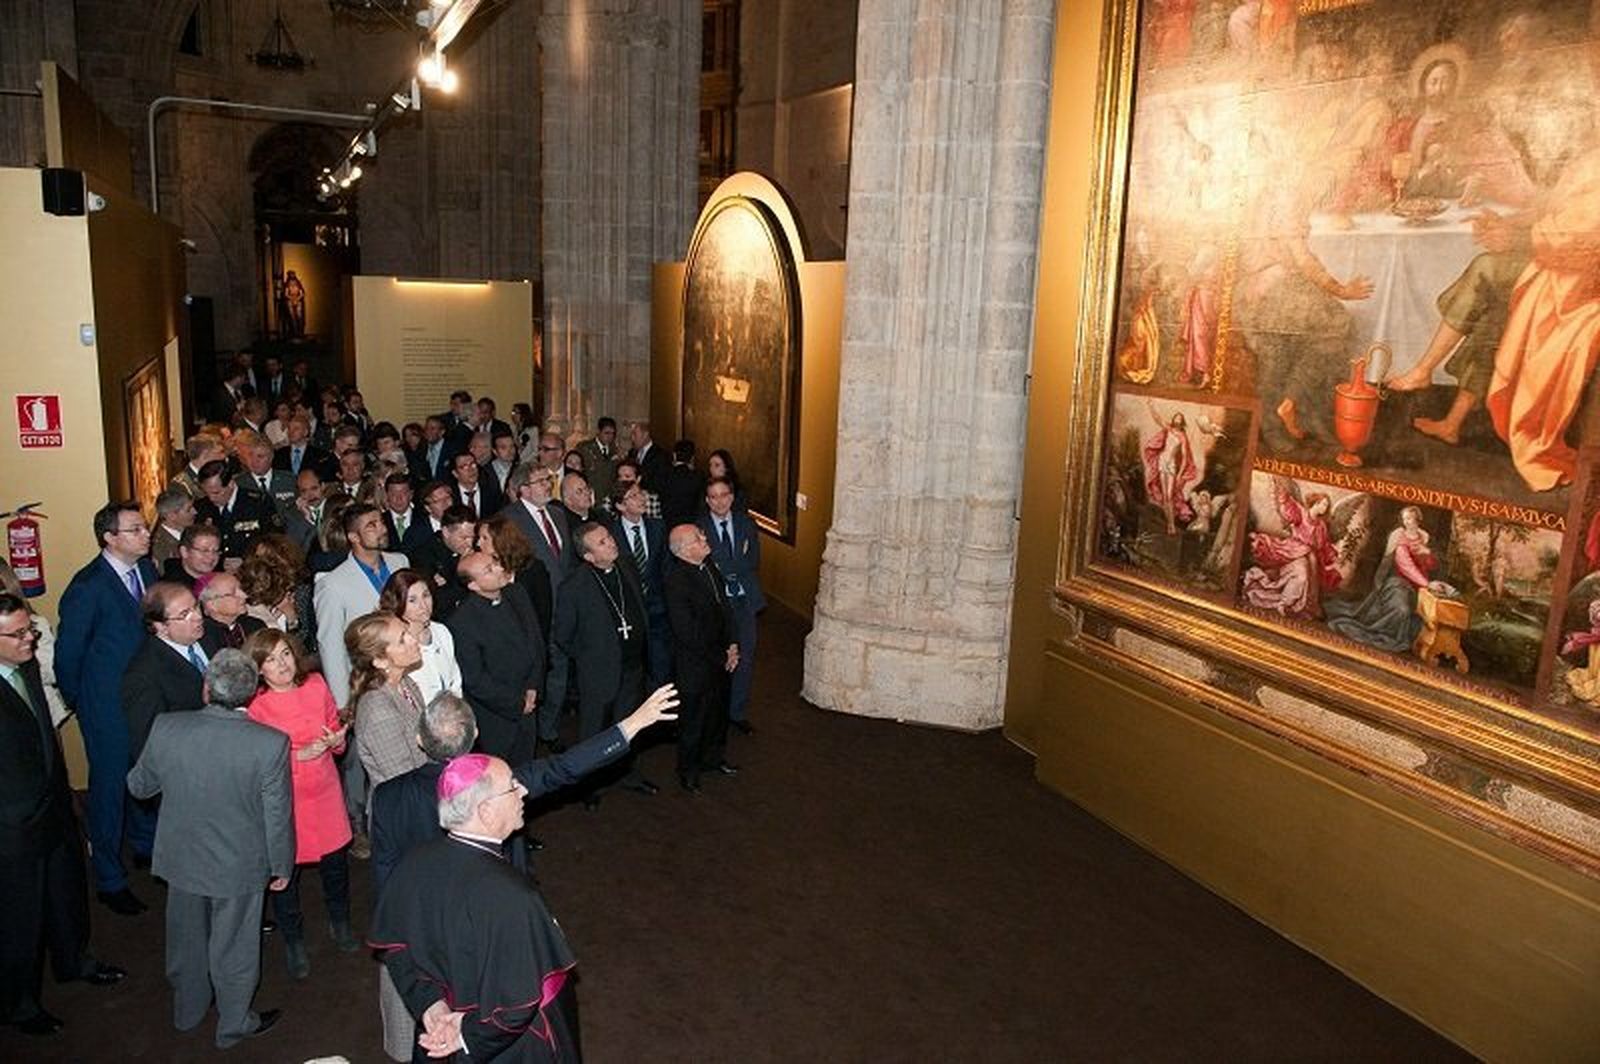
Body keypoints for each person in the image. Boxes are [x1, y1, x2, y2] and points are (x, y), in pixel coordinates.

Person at [126, 649, 292, 1049]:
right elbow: (277, 815)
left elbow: (139, 786)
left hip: (180, 856)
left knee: (185, 941)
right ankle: (233, 1025)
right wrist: (281, 865)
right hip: (239, 864)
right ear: (252, 694)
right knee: (234, 947)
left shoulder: (166, 727)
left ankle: (188, 1012)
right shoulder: (269, 743)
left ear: (206, 688)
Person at [369, 755, 582, 1062]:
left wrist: (430, 1005)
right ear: (486, 811)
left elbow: (396, 949)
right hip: (506, 1050)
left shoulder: (413, 862)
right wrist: (466, 1035)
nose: (522, 791)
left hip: (438, 1034)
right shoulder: (514, 897)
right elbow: (515, 1008)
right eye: (512, 786)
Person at [0, 593, 126, 1038]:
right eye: (16, 635)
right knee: (20, 917)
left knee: (66, 891)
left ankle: (74, 960)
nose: (28, 640)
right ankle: (19, 1003)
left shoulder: (28, 666)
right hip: (11, 826)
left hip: (52, 804)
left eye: (29, 630)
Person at [54, 501, 160, 915]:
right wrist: (82, 701)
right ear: (109, 538)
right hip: (105, 705)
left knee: (145, 773)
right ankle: (109, 879)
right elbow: (68, 656)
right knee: (110, 789)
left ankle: (145, 846)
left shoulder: (146, 571)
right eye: (134, 530)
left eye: (144, 527)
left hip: (143, 698)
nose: (145, 534)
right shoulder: (88, 586)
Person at [244, 630, 355, 980]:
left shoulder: (316, 684)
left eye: (286, 654)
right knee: (284, 875)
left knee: (335, 865)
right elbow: (254, 761)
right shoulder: (255, 706)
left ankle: (340, 922)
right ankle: (293, 941)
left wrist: (337, 740)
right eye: (271, 660)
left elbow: (334, 732)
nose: (282, 665)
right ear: (259, 670)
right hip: (284, 800)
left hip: (324, 790)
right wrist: (296, 757)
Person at [315, 504, 409, 850]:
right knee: (359, 760)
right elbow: (329, 644)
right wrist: (343, 701)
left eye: (381, 522)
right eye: (371, 525)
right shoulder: (334, 584)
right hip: (363, 683)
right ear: (353, 537)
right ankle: (359, 824)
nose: (381, 527)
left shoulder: (399, 563)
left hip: (404, 672)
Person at [553, 522, 656, 806]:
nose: (611, 543)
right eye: (601, 542)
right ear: (588, 556)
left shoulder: (626, 565)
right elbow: (563, 636)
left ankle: (628, 774)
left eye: (609, 537)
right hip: (598, 673)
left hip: (633, 666)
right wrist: (590, 657)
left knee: (632, 724)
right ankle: (589, 787)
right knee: (594, 731)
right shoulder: (574, 587)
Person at [447, 552, 546, 762]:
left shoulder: (517, 593)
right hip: (497, 716)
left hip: (529, 699)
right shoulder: (462, 622)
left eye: (496, 563)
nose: (500, 569)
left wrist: (532, 686)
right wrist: (517, 703)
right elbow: (475, 680)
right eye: (489, 570)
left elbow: (535, 641)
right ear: (473, 585)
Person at [664, 525, 740, 792]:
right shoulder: (676, 581)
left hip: (721, 658)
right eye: (699, 538)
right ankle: (688, 770)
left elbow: (725, 607)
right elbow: (687, 632)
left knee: (718, 714)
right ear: (684, 550)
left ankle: (713, 759)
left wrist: (732, 643)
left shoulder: (709, 566)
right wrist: (721, 655)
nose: (705, 538)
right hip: (695, 664)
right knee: (694, 720)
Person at [1325, 506, 1440, 652]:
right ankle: (1385, 635)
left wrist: (1427, 553)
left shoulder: (1425, 537)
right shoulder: (1399, 537)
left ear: (1418, 519)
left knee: (1424, 617)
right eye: (1404, 519)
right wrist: (1427, 583)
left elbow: (1432, 565)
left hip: (1419, 587)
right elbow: (1406, 566)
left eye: (1410, 518)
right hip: (1398, 583)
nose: (1407, 522)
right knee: (1401, 610)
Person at [699, 477, 764, 733]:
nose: (719, 501)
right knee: (718, 658)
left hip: (745, 599)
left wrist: (728, 567)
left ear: (732, 497)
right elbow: (706, 565)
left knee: (745, 658)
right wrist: (732, 566)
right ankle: (714, 711)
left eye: (724, 495)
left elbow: (753, 560)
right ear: (707, 501)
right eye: (713, 497)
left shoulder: (747, 524)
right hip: (716, 602)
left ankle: (736, 713)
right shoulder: (699, 528)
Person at [348, 611, 430, 806]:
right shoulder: (379, 710)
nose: (413, 639)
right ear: (380, 661)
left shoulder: (405, 683)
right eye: (402, 640)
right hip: (405, 811)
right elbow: (402, 779)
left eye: (407, 631)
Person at [122, 581, 208, 763]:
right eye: (185, 614)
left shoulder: (212, 635)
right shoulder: (143, 673)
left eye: (196, 607)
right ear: (160, 626)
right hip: (188, 765)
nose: (198, 617)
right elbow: (149, 742)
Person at [613, 482, 672, 688]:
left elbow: (666, 566)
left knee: (661, 667)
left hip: (658, 610)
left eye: (641, 494)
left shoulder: (658, 527)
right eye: (634, 496)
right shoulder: (611, 534)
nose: (641, 499)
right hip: (627, 613)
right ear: (620, 506)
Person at [380, 569, 462, 707]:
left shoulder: (441, 631)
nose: (423, 606)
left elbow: (455, 680)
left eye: (426, 595)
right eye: (412, 600)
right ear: (398, 603)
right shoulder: (396, 643)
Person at [195, 459, 284, 564]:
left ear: (231, 484)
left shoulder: (258, 503)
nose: (211, 498)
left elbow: (275, 541)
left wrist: (245, 562)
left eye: (216, 492)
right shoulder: (201, 507)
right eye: (207, 493)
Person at [414, 504, 478, 621]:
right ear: (446, 532)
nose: (469, 543)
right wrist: (462, 572)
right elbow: (436, 603)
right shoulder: (424, 556)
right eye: (463, 538)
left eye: (472, 537)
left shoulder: (476, 550)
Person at [198, 570, 266, 652]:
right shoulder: (202, 635)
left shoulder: (255, 626)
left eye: (241, 589)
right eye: (233, 593)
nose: (245, 596)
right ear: (212, 605)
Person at [381, 472, 431, 558]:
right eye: (393, 494)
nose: (398, 498)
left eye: (403, 493)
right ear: (386, 496)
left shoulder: (425, 518)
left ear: (411, 495)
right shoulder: (380, 521)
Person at [657, 438, 705, 528]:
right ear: (692, 458)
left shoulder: (663, 475)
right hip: (691, 525)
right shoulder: (698, 477)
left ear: (674, 455)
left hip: (668, 525)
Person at [162, 523, 222, 590]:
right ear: (184, 552)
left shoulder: (221, 581)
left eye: (215, 551)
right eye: (204, 550)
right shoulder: (171, 589)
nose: (211, 557)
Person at [575, 416, 620, 502]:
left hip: (608, 497)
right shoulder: (585, 448)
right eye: (606, 433)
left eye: (613, 434)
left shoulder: (615, 450)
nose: (610, 437)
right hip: (591, 494)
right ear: (598, 432)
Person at [151, 488, 197, 569]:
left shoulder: (194, 532)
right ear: (171, 516)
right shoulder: (159, 546)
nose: (195, 512)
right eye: (188, 509)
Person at [449, 450, 503, 519]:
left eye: (473, 464)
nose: (471, 470)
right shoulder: (450, 495)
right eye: (464, 467)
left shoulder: (491, 489)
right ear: (455, 473)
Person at [628, 420, 671, 489]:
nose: (632, 438)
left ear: (645, 435)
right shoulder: (632, 453)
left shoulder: (660, 454)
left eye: (634, 434)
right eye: (631, 435)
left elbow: (661, 481)